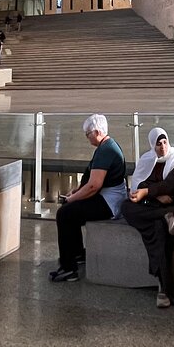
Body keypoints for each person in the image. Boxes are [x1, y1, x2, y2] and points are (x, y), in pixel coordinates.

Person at [50, 113, 126, 282]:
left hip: (109, 203)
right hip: (108, 197)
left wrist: (72, 198)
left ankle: (68, 269)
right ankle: (77, 253)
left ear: (97, 132)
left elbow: (94, 186)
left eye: (88, 134)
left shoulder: (106, 150)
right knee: (70, 211)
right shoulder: (107, 146)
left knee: (64, 214)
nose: (87, 137)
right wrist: (76, 192)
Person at [121, 127, 174, 307]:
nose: (162, 147)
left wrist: (148, 192)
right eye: (158, 144)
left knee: (159, 228)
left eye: (165, 142)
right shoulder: (147, 160)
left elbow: (173, 185)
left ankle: (165, 287)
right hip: (154, 206)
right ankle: (166, 287)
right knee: (126, 207)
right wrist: (154, 195)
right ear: (153, 145)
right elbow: (139, 184)